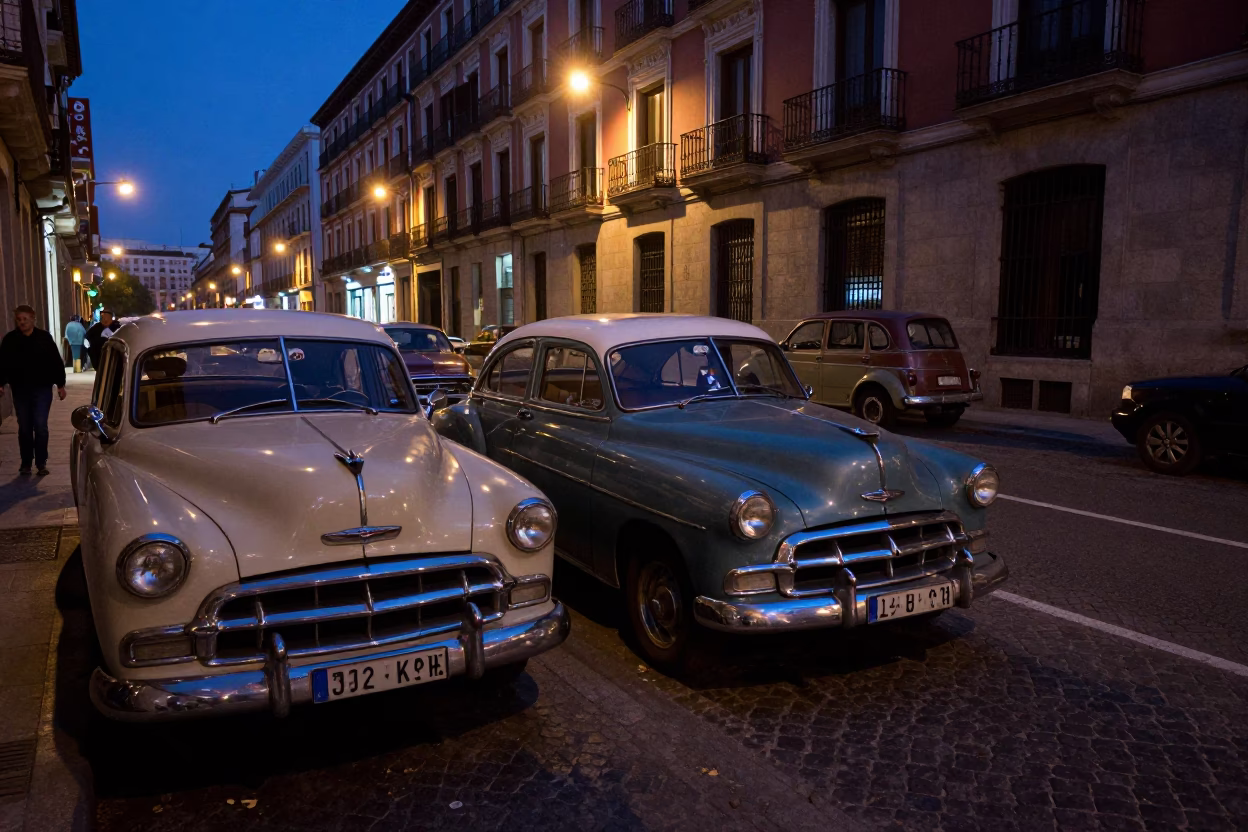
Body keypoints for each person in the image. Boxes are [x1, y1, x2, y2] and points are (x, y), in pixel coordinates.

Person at [0, 305, 67, 475]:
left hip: (42, 388)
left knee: (40, 426)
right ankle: (26, 463)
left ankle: (41, 462)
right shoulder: (10, 340)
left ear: (32, 318)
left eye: (25, 319)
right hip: (20, 389)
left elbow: (55, 362)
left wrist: (60, 385)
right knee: (24, 427)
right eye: (19, 319)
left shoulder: (44, 338)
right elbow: (3, 363)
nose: (22, 322)